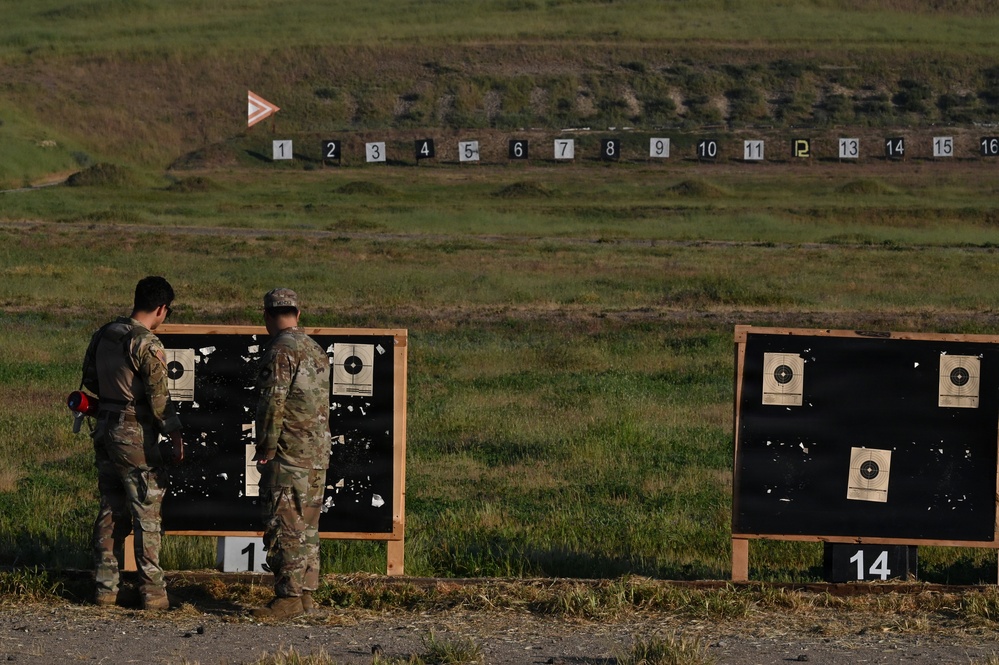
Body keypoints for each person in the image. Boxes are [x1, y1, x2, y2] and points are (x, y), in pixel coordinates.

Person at [81, 275, 184, 610]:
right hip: (134, 434)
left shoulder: (106, 333)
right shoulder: (146, 343)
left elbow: (90, 379)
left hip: (105, 427)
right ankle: (153, 593)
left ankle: (105, 589)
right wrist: (176, 432)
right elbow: (159, 400)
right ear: (161, 308)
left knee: (111, 508)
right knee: (147, 512)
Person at [252, 288, 332, 619]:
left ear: (268, 316)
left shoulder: (280, 350)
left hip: (289, 451)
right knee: (309, 526)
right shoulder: (314, 349)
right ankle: (307, 597)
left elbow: (274, 400)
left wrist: (266, 446)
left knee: (284, 522)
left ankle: (288, 597)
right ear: (298, 314)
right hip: (317, 452)